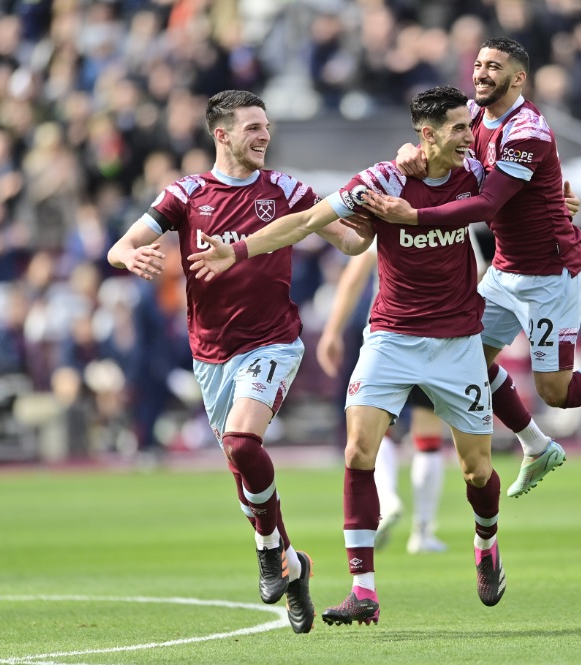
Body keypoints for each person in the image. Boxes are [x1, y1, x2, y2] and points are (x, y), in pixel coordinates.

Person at [188, 86, 507, 626]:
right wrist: (237, 250)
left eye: (467, 126)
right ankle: (364, 591)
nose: (468, 135)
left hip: (457, 340)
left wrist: (559, 209)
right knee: (359, 450)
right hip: (391, 336)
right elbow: (306, 222)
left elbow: (517, 209)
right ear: (426, 134)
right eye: (457, 127)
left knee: (477, 470)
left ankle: (486, 543)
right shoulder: (381, 178)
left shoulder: (475, 174)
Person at [369, 37, 581, 499]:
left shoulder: (529, 131)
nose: (481, 73)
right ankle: (535, 444)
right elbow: (435, 130)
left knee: (556, 391)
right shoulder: (474, 113)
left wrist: (415, 216)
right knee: (467, 358)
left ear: (518, 78)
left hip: (551, 274)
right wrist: (410, 148)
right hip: (506, 268)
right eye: (479, 64)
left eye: (493, 67)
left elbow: (486, 204)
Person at [106, 90, 374, 634]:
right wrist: (129, 254)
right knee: (240, 466)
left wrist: (375, 217)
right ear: (221, 135)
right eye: (252, 128)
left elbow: (348, 242)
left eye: (267, 127)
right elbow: (121, 245)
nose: (264, 136)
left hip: (273, 343)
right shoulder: (186, 194)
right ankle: (291, 564)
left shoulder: (288, 190)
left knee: (241, 443)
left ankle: (265, 552)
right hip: (211, 354)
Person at [316, 248, 450, 555]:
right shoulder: (453, 208)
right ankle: (423, 532)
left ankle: (387, 500)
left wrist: (332, 331)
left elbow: (354, 275)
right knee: (427, 431)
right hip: (438, 332)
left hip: (386, 335)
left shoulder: (386, 209)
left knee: (376, 428)